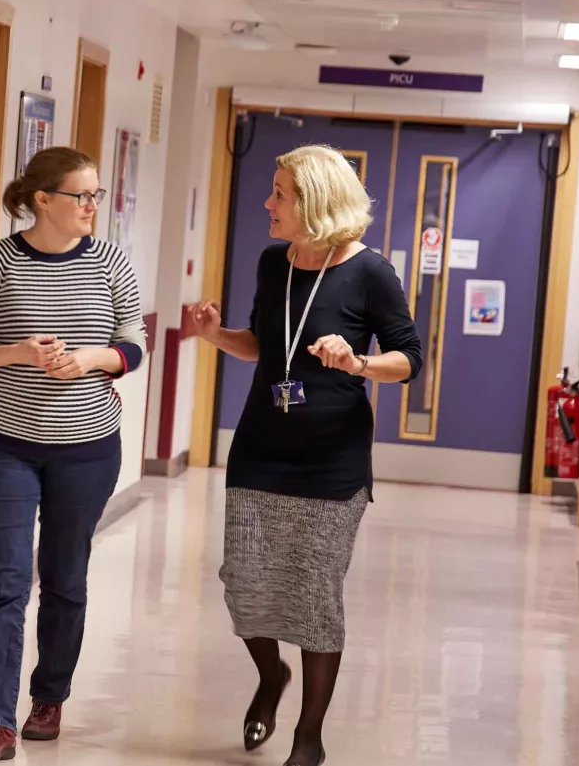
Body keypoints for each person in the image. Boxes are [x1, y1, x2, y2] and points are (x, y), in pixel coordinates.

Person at [191, 145, 422, 766]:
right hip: (261, 449)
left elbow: (410, 359)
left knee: (315, 594)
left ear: (315, 202)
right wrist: (215, 336)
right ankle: (271, 678)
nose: (268, 204)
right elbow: (264, 343)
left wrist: (358, 362)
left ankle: (309, 736)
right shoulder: (274, 262)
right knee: (245, 585)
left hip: (331, 461)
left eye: (280, 195)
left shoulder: (371, 272)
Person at [0, 147, 146, 764]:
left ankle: (49, 697)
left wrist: (88, 359)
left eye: (95, 196)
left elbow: (132, 344)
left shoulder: (112, 263)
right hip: (2, 442)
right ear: (42, 200)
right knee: (5, 581)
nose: (91, 207)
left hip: (87, 446)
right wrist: (20, 353)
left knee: (65, 579)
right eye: (80, 196)